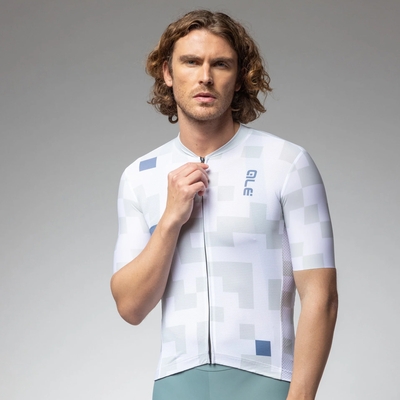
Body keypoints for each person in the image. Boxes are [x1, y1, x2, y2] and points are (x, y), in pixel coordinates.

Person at [111, 9, 338, 400]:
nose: (205, 76)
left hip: (266, 379)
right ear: (167, 72)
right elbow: (130, 307)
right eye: (191, 62)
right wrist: (170, 220)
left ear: (240, 76)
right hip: (176, 384)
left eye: (220, 64)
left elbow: (322, 297)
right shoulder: (140, 176)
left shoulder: (286, 163)